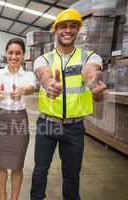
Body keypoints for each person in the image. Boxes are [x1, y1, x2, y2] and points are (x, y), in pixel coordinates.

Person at [30, 9, 108, 200]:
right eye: (63, 26)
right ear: (56, 30)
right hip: (47, 125)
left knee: (72, 176)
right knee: (40, 171)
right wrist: (48, 84)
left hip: (74, 127)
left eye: (73, 26)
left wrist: (94, 85)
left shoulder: (89, 57)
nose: (68, 30)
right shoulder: (44, 58)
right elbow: (43, 74)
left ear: (78, 30)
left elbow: (90, 72)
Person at [0, 38, 36, 200]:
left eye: (18, 53)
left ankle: (14, 197)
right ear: (6, 54)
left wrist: (23, 90)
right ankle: (2, 197)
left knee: (17, 164)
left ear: (23, 55)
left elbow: (31, 87)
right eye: (11, 53)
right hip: (0, 120)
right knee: (1, 163)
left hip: (19, 121)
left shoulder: (29, 74)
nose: (14, 56)